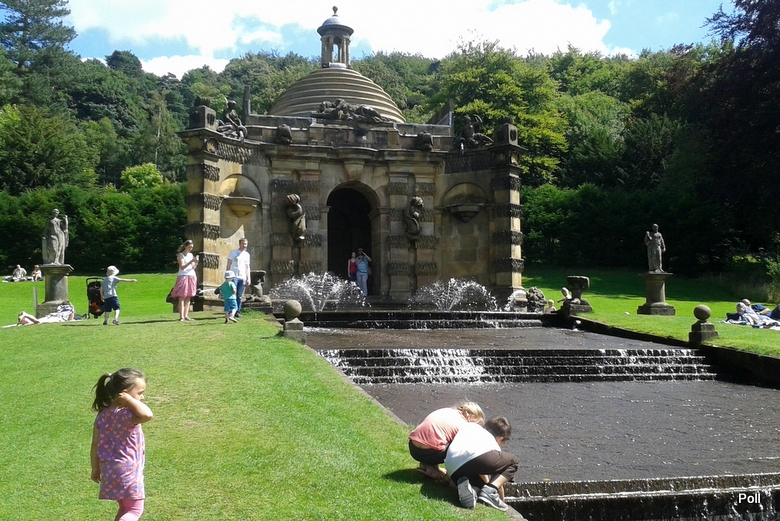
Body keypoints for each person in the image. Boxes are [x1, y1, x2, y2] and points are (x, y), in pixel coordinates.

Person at [90, 368, 153, 521]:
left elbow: (95, 444)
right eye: (140, 393)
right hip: (128, 470)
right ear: (124, 394)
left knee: (124, 508)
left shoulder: (102, 416)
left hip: (109, 469)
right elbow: (147, 415)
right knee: (134, 510)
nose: (142, 397)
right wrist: (130, 401)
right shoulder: (126, 414)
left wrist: (95, 468)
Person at [445, 417, 519, 511]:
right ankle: (489, 492)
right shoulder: (492, 444)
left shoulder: (471, 427)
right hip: (473, 460)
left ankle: (471, 491)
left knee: (481, 483)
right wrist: (496, 492)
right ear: (500, 439)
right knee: (513, 461)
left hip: (452, 468)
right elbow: (498, 481)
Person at [408, 402, 485, 480]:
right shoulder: (463, 424)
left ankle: (429, 466)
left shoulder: (447, 410)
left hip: (413, 447)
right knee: (460, 447)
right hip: (431, 453)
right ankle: (448, 476)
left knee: (440, 438)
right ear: (472, 417)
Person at [171, 240, 198, 322]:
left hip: (191, 276)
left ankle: (186, 315)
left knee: (188, 296)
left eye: (192, 247)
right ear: (185, 246)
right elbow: (182, 267)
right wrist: (191, 261)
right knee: (182, 296)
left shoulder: (191, 255)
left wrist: (196, 262)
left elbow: (193, 267)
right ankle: (181, 317)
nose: (191, 249)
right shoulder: (180, 255)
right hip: (183, 276)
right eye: (189, 247)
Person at [226, 238, 250, 317]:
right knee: (232, 294)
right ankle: (231, 310)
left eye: (245, 244)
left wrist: (248, 278)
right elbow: (229, 264)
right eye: (243, 244)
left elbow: (247, 267)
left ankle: (237, 311)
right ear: (240, 244)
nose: (244, 245)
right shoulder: (233, 252)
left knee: (239, 296)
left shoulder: (247, 255)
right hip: (234, 276)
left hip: (242, 277)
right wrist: (227, 276)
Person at [4, 302, 76, 327]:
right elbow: (71, 319)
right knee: (38, 322)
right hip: (58, 318)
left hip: (51, 315)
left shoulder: (60, 307)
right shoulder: (70, 308)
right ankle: (26, 315)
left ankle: (24, 320)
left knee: (35, 322)